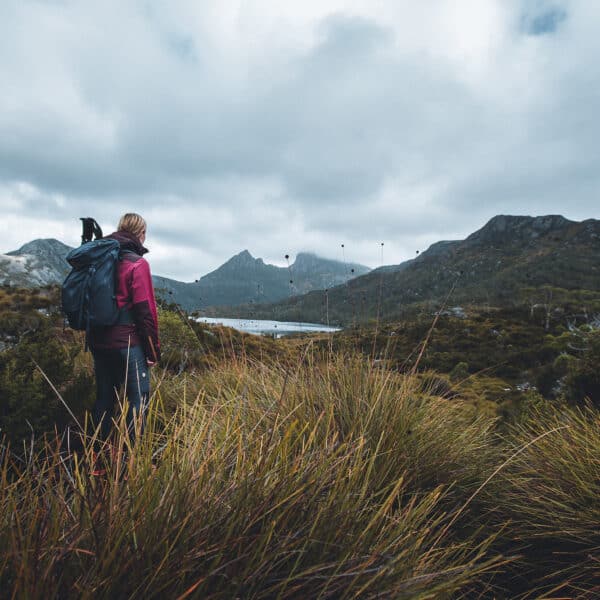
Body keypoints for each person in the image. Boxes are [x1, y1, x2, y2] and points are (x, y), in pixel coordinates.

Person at [88, 213, 161, 449]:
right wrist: (152, 351)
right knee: (138, 399)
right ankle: (131, 462)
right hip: (127, 344)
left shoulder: (100, 259)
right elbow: (145, 311)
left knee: (104, 400)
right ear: (141, 234)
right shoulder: (137, 264)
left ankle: (96, 460)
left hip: (98, 341)